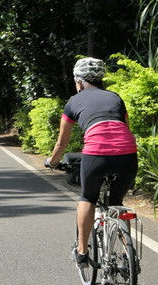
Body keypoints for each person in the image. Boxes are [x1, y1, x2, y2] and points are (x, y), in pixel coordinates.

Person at [45, 57, 138, 268]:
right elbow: (125, 128)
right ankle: (127, 255)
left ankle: (82, 251)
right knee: (116, 203)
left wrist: (52, 162)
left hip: (96, 153)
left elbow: (62, 142)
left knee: (87, 197)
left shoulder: (73, 102)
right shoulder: (115, 97)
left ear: (78, 81)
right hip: (128, 154)